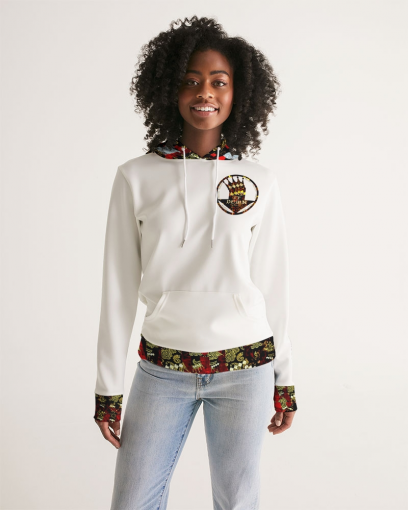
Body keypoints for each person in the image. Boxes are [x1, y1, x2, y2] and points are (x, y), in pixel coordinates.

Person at [94, 15, 298, 510]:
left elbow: (273, 283)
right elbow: (118, 289)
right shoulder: (136, 177)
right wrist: (108, 389)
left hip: (246, 368)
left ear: (238, 93)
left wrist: (285, 377)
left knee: (236, 502)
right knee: (132, 501)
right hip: (162, 370)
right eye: (190, 80)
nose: (204, 92)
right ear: (169, 89)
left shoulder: (259, 181)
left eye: (218, 82)